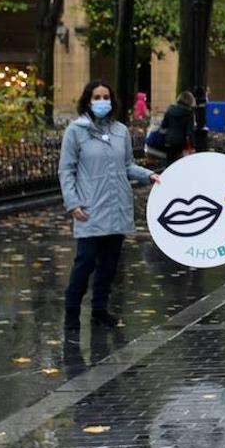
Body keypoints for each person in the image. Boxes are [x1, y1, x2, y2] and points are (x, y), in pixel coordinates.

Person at [60, 80, 161, 329]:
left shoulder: (120, 131)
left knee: (109, 264)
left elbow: (127, 165)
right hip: (89, 208)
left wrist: (148, 175)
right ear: (88, 100)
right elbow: (66, 170)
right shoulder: (75, 131)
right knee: (85, 261)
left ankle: (99, 310)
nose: (102, 101)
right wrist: (72, 203)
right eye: (97, 97)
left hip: (117, 207)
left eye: (106, 96)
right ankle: (72, 310)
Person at [160, 91, 196, 166]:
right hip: (181, 143)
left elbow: (164, 125)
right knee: (179, 164)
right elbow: (189, 132)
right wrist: (192, 145)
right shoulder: (189, 113)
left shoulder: (170, 109)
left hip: (169, 140)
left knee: (169, 162)